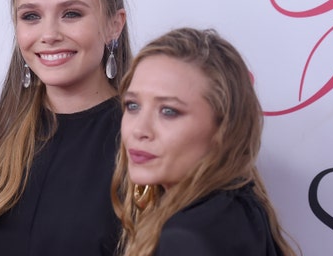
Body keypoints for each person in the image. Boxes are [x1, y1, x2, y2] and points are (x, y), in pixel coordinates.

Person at [0, 0, 131, 255]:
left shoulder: (142, 140)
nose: (49, 35)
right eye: (31, 16)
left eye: (71, 14)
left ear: (113, 25)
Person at [111, 28, 299, 256]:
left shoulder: (186, 239)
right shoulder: (243, 208)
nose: (140, 130)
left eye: (169, 111)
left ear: (223, 127)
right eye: (133, 106)